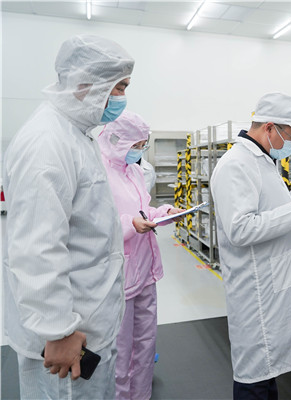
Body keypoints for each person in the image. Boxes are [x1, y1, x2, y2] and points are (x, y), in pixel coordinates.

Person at [2, 35, 134, 399]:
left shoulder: (76, 135)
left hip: (86, 328)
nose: (122, 97)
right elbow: (36, 247)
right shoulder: (47, 141)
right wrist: (57, 330)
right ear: (85, 84)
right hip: (66, 345)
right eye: (119, 87)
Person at [210, 92, 291, 400]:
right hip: (255, 287)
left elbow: (266, 205)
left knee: (267, 368)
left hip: (272, 280)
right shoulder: (236, 164)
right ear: (270, 127)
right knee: (255, 373)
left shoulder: (263, 160)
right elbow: (240, 228)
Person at [97, 111, 185, 400]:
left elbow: (143, 211)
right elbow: (94, 225)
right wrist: (130, 224)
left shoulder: (133, 171)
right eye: (135, 145)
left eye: (142, 145)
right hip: (119, 276)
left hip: (146, 270)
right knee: (121, 352)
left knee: (145, 344)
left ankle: (141, 395)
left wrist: (165, 212)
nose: (139, 151)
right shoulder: (98, 172)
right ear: (117, 140)